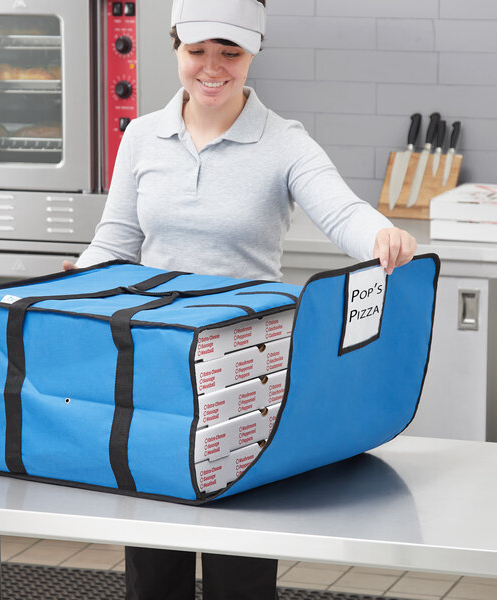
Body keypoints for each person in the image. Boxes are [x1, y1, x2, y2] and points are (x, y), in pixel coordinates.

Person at [65, 0, 417, 597]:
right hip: (156, 365)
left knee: (240, 567)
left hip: (246, 371)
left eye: (230, 53)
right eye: (197, 50)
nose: (213, 67)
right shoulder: (144, 136)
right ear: (175, 47)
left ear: (252, 52)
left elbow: (341, 209)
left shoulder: (284, 143)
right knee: (153, 564)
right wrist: (76, 284)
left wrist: (381, 236)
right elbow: (118, 240)